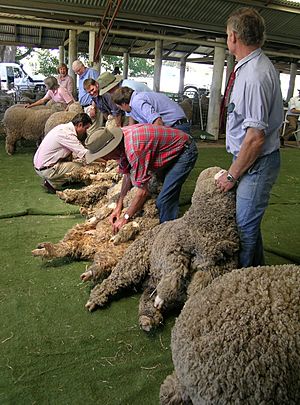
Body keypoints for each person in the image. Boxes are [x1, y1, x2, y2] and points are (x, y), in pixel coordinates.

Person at [215, 7, 283, 268]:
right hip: (249, 159)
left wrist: (232, 174)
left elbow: (255, 137)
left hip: (256, 163)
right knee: (248, 222)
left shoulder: (255, 75)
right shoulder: (249, 68)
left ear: (233, 36)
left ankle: (242, 284)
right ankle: (259, 273)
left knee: (244, 227)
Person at [85, 124, 198, 233]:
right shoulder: (120, 141)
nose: (105, 158)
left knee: (164, 200)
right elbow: (127, 175)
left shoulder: (135, 150)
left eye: (104, 155)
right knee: (164, 188)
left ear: (111, 149)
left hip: (185, 150)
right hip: (165, 149)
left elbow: (143, 192)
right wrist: (119, 206)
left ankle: (168, 232)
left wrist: (126, 217)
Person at [33, 113, 92, 192]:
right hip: (46, 169)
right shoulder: (68, 135)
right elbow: (85, 154)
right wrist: (105, 160)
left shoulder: (62, 128)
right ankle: (53, 183)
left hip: (40, 166)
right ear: (80, 125)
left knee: (73, 163)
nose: (86, 131)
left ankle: (53, 181)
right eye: (86, 128)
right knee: (83, 168)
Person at [111, 86, 191, 134]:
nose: (121, 109)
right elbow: (134, 125)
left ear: (124, 104)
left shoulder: (137, 101)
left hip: (177, 126)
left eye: (120, 107)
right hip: (176, 125)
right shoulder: (134, 102)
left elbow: (157, 121)